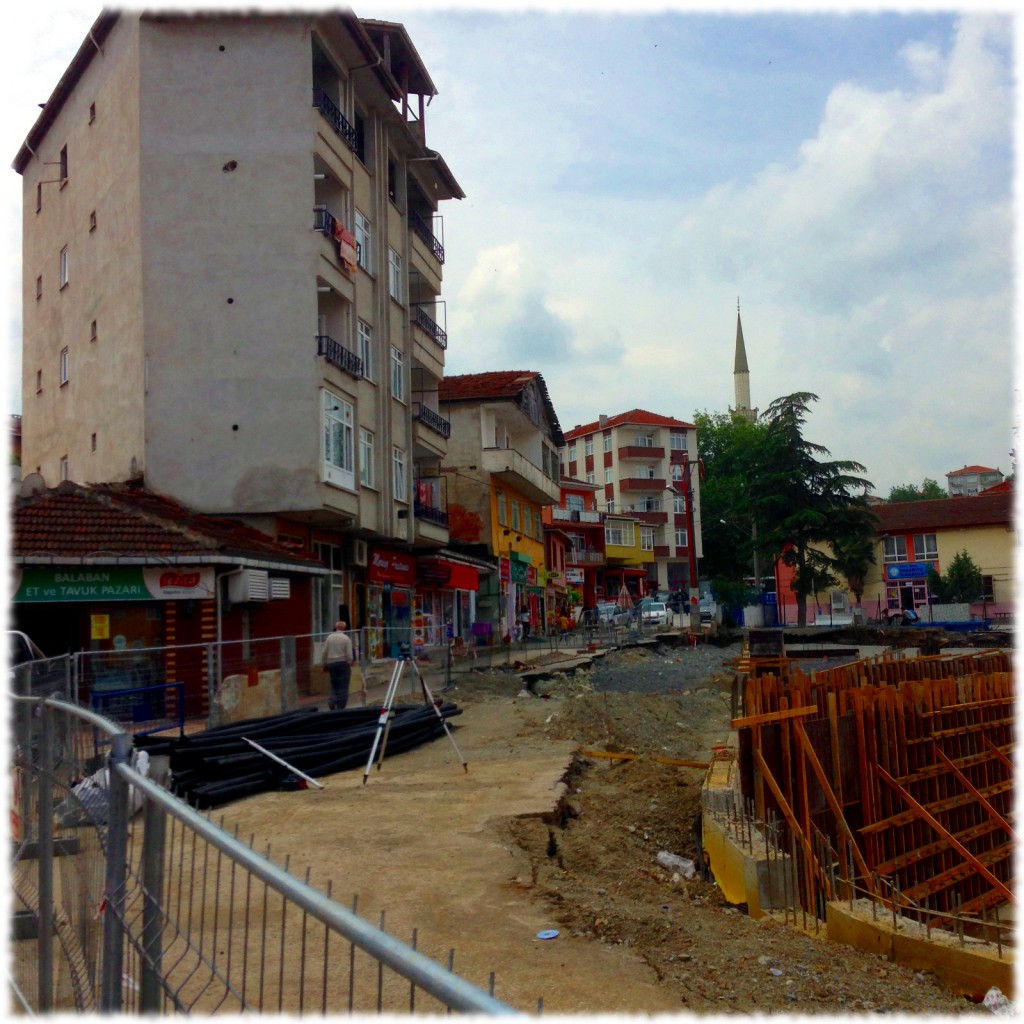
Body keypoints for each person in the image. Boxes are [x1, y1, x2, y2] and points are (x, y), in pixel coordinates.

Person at [321, 620, 355, 710]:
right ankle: (341, 708)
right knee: (343, 686)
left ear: (335, 627)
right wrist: (350, 662)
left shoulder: (329, 637)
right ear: (344, 628)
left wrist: (324, 664)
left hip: (332, 664)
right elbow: (349, 654)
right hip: (343, 663)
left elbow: (324, 652)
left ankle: (331, 701)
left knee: (334, 684)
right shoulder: (346, 638)